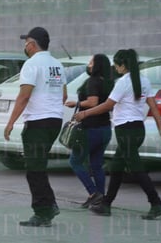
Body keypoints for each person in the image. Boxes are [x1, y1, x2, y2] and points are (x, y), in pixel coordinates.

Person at [74, 49, 161, 220]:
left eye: (117, 65)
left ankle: (157, 203)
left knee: (137, 169)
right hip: (137, 130)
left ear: (123, 65)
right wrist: (160, 127)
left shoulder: (123, 83)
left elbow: (107, 105)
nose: (115, 68)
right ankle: (106, 204)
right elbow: (153, 106)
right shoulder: (144, 81)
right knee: (116, 168)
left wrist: (85, 113)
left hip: (126, 131)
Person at [4, 27, 67, 227]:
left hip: (38, 122)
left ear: (33, 44)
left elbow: (24, 96)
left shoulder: (31, 64)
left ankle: (43, 210)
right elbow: (63, 96)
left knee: (34, 168)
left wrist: (11, 122)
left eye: (26, 42)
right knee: (38, 166)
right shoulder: (57, 64)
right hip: (55, 121)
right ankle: (49, 206)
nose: (25, 46)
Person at [65, 54, 114, 209]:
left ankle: (93, 193)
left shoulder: (93, 81)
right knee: (96, 164)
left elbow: (93, 102)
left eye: (91, 62)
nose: (89, 64)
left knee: (75, 161)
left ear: (97, 65)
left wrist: (77, 103)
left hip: (90, 128)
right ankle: (100, 200)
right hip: (105, 128)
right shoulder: (109, 82)